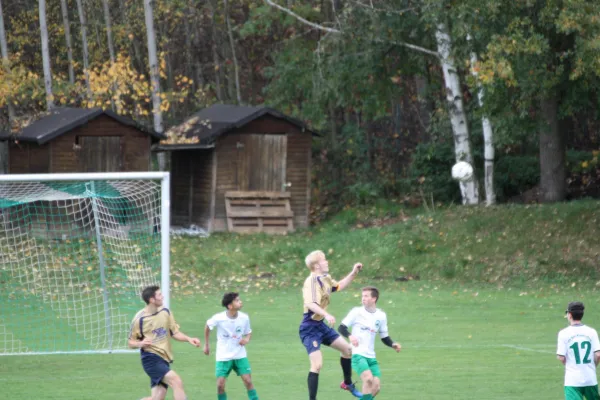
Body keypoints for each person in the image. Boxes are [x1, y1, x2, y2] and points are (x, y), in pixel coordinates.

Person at [300, 250, 364, 399]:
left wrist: (353, 272)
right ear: (316, 266)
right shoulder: (311, 282)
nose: (327, 262)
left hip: (320, 326)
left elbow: (339, 286)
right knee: (317, 365)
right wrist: (326, 314)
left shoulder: (325, 278)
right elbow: (310, 303)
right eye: (324, 260)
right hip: (309, 328)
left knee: (347, 350)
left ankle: (347, 383)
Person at [128, 285, 201, 400]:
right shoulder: (139, 319)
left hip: (164, 359)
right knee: (176, 381)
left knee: (157, 398)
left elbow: (175, 333)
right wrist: (140, 344)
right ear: (152, 300)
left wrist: (189, 339)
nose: (163, 297)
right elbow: (130, 342)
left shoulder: (166, 312)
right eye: (159, 295)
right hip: (150, 359)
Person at [338, 286, 401, 400]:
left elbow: (384, 336)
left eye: (366, 296)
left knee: (375, 387)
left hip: (371, 356)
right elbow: (341, 327)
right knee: (368, 379)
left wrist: (392, 344)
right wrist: (350, 336)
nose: (363, 298)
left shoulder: (381, 316)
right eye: (362, 296)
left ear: (374, 298)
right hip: (357, 353)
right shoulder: (356, 312)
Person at [204, 292, 259, 400]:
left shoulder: (244, 318)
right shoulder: (219, 318)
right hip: (223, 356)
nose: (240, 302)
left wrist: (247, 339)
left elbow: (248, 331)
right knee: (220, 385)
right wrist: (206, 344)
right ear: (230, 306)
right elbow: (207, 326)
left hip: (240, 355)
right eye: (237, 300)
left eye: (240, 300)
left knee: (248, 381)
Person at [557, 301, 600, 400]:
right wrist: (593, 366)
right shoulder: (591, 332)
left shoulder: (563, 333)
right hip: (590, 378)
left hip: (572, 380)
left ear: (570, 314)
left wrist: (571, 365)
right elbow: (598, 354)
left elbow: (561, 357)